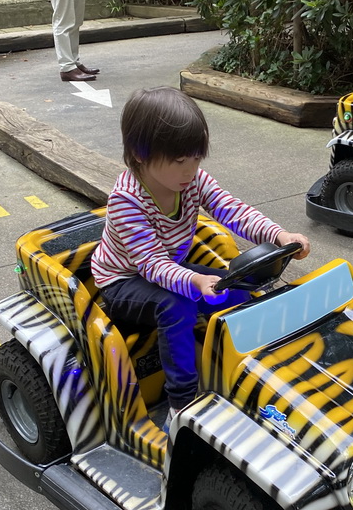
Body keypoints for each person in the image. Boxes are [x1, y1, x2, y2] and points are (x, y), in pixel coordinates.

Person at [91, 87, 311, 429]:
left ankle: (248, 369)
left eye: (196, 158)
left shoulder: (191, 180)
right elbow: (150, 263)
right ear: (139, 153)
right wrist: (194, 281)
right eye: (180, 160)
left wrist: (279, 235)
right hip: (124, 281)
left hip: (170, 268)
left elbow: (232, 209)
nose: (191, 169)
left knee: (239, 292)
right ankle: (181, 403)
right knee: (175, 306)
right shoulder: (126, 201)